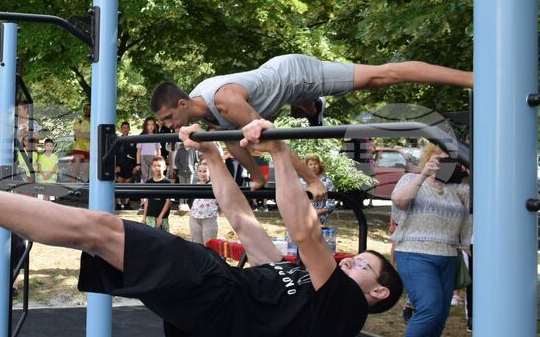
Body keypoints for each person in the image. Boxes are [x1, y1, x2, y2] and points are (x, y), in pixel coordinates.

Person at [0, 117, 404, 337]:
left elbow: (306, 230)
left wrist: (282, 152)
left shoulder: (343, 310)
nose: (354, 259)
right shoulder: (299, 284)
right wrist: (214, 157)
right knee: (98, 236)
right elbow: (243, 221)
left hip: (218, 301)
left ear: (377, 293)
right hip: (209, 307)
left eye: (366, 266)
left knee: (103, 229)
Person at [151, 54, 473, 200]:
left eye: (168, 119)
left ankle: (471, 78)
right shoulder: (203, 111)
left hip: (295, 74)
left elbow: (276, 142)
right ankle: (312, 107)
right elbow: (233, 143)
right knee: (236, 135)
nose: (167, 126)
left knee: (381, 75)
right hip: (271, 93)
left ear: (182, 104)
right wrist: (258, 176)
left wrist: (312, 180)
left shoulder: (226, 101)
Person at [390, 144, 471, 337]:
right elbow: (399, 201)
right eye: (440, 157)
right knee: (430, 308)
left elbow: (479, 201)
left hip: (447, 255)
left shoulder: (457, 190)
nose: (444, 161)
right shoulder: (412, 178)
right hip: (414, 253)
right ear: (428, 157)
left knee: (441, 314)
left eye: (450, 159)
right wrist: (424, 174)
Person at [189, 159, 219, 245]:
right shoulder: (195, 185)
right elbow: (190, 200)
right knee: (197, 244)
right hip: (194, 217)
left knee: (209, 244)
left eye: (205, 171)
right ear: (197, 172)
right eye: (200, 171)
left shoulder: (215, 184)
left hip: (210, 218)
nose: (202, 174)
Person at [303, 154, 335, 225]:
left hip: (321, 222)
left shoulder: (327, 182)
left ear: (320, 165)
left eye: (315, 164)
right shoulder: (301, 182)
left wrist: (314, 214)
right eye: (310, 164)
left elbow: (331, 205)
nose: (313, 167)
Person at [142, 156, 172, 231]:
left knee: (163, 239)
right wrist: (144, 216)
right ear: (152, 167)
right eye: (154, 166)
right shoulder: (149, 182)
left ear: (164, 167)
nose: (157, 168)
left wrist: (160, 217)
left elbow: (168, 202)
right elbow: (147, 201)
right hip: (150, 215)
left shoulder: (167, 183)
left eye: (159, 165)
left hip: (163, 217)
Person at [113, 121, 137, 210]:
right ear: (121, 129)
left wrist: (135, 166)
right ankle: (119, 204)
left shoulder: (133, 141)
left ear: (129, 129)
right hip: (120, 166)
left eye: (127, 127)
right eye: (123, 128)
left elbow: (135, 154)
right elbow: (115, 154)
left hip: (130, 166)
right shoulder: (118, 141)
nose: (125, 129)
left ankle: (127, 204)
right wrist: (116, 165)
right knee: (119, 185)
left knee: (128, 186)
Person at [68, 104, 91, 181]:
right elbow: (78, 134)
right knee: (75, 172)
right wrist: (91, 136)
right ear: (84, 110)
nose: (88, 110)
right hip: (79, 148)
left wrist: (83, 135)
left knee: (86, 172)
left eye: (90, 109)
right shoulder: (79, 120)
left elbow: (80, 135)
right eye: (87, 109)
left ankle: (84, 190)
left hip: (90, 150)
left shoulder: (95, 120)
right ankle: (72, 190)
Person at [136, 117, 159, 183]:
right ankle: (145, 192)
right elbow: (138, 151)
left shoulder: (156, 136)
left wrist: (158, 161)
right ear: (145, 126)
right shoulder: (141, 136)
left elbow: (158, 150)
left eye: (152, 124)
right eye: (148, 125)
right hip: (143, 157)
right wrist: (138, 164)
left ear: (155, 126)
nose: (150, 126)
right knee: (144, 176)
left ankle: (152, 192)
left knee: (153, 176)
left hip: (154, 158)